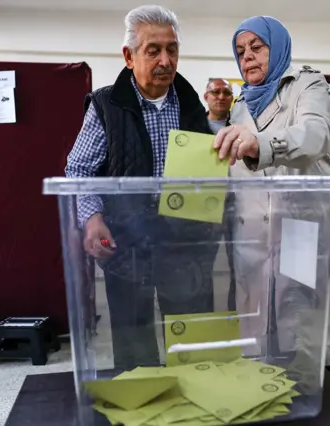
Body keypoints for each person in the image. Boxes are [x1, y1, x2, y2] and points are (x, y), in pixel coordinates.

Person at [213, 16, 330, 384]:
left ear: (277, 47)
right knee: (267, 337)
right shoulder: (238, 107)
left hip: (303, 231)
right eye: (240, 51)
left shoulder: (306, 85)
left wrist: (261, 144)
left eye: (257, 47)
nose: (247, 57)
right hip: (255, 240)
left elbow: (314, 135)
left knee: (312, 334)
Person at [65, 5, 221, 370]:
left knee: (191, 338)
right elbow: (79, 168)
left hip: (183, 241)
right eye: (153, 50)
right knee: (134, 344)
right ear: (129, 56)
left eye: (172, 49)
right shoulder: (106, 104)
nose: (166, 60)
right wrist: (91, 218)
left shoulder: (191, 106)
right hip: (126, 242)